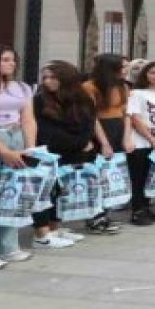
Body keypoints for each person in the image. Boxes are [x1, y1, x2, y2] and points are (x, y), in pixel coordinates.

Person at [32, 60, 99, 247]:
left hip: (73, 151)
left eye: (53, 77)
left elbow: (89, 123)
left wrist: (83, 141)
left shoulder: (83, 98)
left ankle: (54, 227)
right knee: (46, 192)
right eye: (45, 77)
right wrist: (78, 143)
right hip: (51, 152)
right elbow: (46, 132)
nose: (47, 81)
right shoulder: (40, 100)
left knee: (62, 191)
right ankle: (41, 233)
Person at [0, 45, 38, 266]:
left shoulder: (21, 87)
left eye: (13, 60)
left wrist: (30, 147)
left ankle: (6, 246)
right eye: (5, 60)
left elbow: (28, 118)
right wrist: (2, 150)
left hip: (17, 137)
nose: (11, 64)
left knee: (11, 195)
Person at [83, 53, 130, 233]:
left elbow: (126, 113)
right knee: (98, 174)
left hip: (118, 129)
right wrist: (104, 142)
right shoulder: (90, 87)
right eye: (122, 67)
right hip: (100, 129)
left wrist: (127, 136)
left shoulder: (123, 86)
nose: (126, 70)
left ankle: (104, 213)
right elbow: (91, 117)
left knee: (111, 174)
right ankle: (95, 217)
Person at [125, 62, 155, 225]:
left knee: (151, 178)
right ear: (145, 74)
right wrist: (151, 138)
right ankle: (137, 211)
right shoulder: (137, 93)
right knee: (139, 177)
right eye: (153, 72)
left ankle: (146, 207)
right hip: (141, 142)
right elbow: (134, 118)